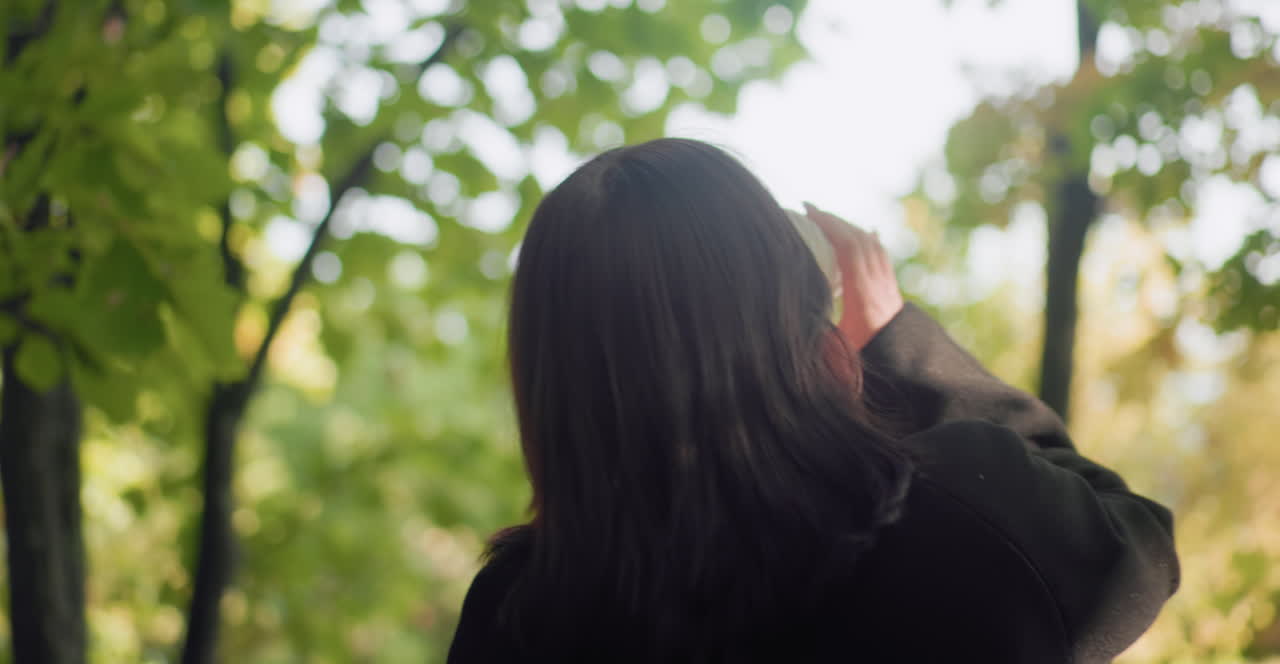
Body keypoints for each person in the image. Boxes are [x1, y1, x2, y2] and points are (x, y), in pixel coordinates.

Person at [447, 138, 1179, 663]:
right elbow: (1135, 547)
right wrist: (900, 345)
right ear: (810, 341)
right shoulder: (956, 508)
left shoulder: (515, 615)